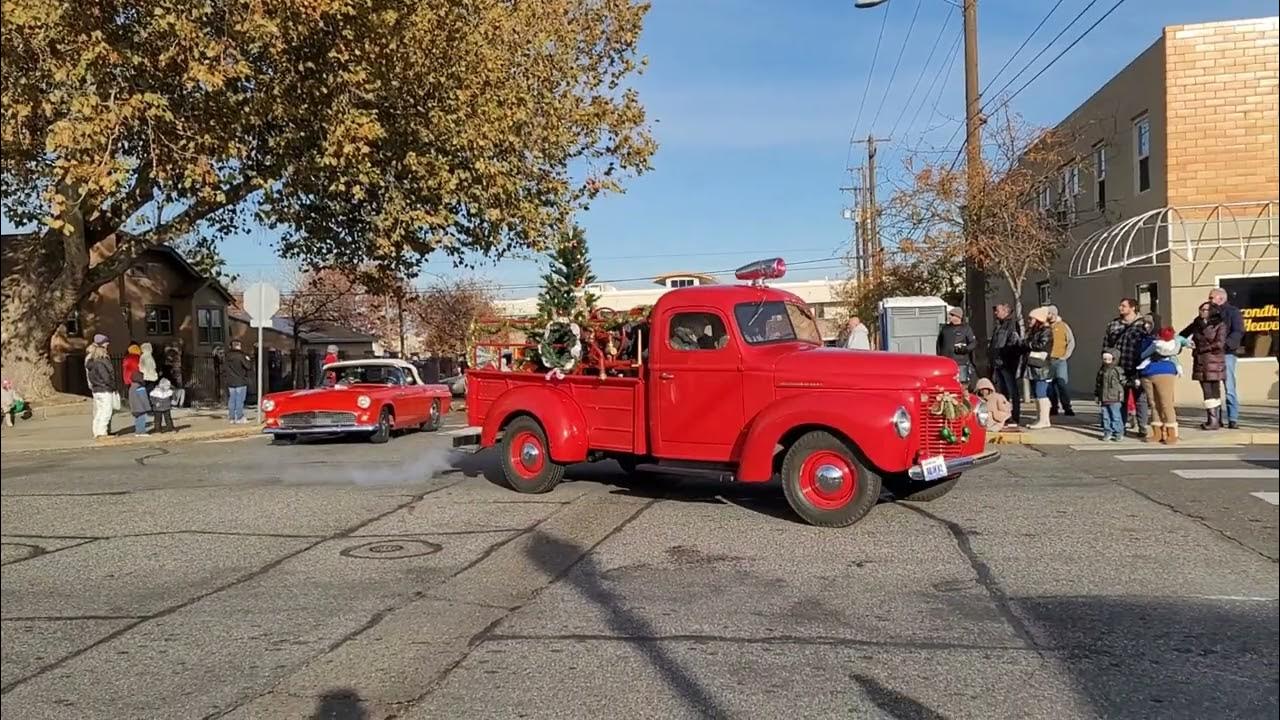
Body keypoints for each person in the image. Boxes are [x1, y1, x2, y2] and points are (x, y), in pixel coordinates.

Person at [1103, 298, 1152, 438]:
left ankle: (1143, 427)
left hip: (1137, 366)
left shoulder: (1143, 325)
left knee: (1140, 398)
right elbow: (1106, 345)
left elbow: (1149, 344)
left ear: (1133, 307)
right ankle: (1121, 426)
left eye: (1123, 306)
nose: (1120, 308)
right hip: (1118, 367)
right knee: (1120, 398)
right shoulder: (1113, 324)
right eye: (1120, 305)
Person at [1137, 327, 1189, 445]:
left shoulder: (1162, 344)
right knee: (1154, 404)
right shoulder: (1151, 341)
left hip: (1162, 372)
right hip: (1148, 373)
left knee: (1165, 404)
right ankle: (1158, 433)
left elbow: (1143, 354)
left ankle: (1171, 433)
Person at [1190, 302, 1228, 430]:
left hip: (1214, 360)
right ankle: (1213, 419)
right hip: (1201, 361)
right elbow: (1187, 335)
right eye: (1201, 309)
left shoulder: (1219, 325)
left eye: (1205, 310)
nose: (1202, 312)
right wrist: (1190, 343)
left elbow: (1220, 343)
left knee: (1213, 389)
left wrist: (1202, 349)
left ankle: (1215, 420)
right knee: (1206, 389)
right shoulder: (1197, 323)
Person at [988, 303, 1022, 427]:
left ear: (1006, 312)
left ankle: (1015, 416)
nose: (995, 313)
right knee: (1003, 392)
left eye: (998, 310)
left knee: (1012, 391)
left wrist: (1003, 355)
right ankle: (1005, 416)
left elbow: (1013, 344)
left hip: (1007, 363)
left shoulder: (1011, 326)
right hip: (998, 363)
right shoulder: (998, 326)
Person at [1023, 307, 1055, 429]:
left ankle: (1044, 419)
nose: (1029, 321)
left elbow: (1042, 345)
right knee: (1037, 394)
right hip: (1034, 366)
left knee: (1041, 393)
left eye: (1031, 319)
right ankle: (1040, 418)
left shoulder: (1046, 331)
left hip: (1042, 367)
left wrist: (1028, 344)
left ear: (1038, 319)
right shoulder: (1034, 331)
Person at [1045, 305, 1076, 417]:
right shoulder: (1045, 327)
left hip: (1060, 360)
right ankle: (1054, 407)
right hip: (1047, 361)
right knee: (1049, 386)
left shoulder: (1063, 326)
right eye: (1050, 314)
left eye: (1053, 314)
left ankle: (1067, 407)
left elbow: (1071, 341)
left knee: (1061, 383)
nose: (1052, 316)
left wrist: (1065, 355)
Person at [85, 334, 117, 438]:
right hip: (104, 389)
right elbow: (106, 378)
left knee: (99, 412)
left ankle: (97, 432)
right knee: (106, 411)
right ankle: (102, 432)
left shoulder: (91, 363)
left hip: (96, 389)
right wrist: (112, 385)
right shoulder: (101, 363)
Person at [937, 307, 977, 389]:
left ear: (958, 317)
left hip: (961, 363)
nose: (949, 317)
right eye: (950, 315)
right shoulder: (945, 329)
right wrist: (940, 358)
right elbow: (939, 344)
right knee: (947, 384)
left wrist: (965, 349)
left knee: (962, 385)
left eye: (952, 315)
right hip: (947, 363)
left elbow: (973, 343)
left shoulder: (966, 329)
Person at [1095, 348, 1126, 442]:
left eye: (1109, 359)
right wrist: (1097, 395)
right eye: (1104, 359)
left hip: (1115, 398)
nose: (1106, 361)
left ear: (1114, 359)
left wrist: (1133, 383)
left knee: (1116, 416)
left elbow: (1124, 381)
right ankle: (1107, 432)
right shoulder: (1102, 371)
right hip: (1104, 398)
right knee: (1105, 417)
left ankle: (1118, 432)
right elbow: (1098, 384)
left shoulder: (1117, 370)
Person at [223, 339, 253, 424]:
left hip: (230, 381)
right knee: (240, 399)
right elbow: (248, 366)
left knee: (232, 399)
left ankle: (232, 417)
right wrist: (248, 359)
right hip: (240, 381)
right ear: (238, 346)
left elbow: (224, 369)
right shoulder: (241, 356)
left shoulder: (227, 356)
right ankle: (239, 417)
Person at [127, 370, 152, 436]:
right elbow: (144, 398)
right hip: (140, 408)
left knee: (137, 420)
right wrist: (148, 408)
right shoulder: (140, 387)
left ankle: (138, 432)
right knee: (142, 420)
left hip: (134, 408)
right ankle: (142, 432)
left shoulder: (131, 387)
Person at [164, 343, 185, 409]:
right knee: (179, 389)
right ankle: (178, 404)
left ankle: (175, 403)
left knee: (177, 388)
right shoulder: (176, 356)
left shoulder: (170, 357)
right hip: (175, 373)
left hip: (174, 373)